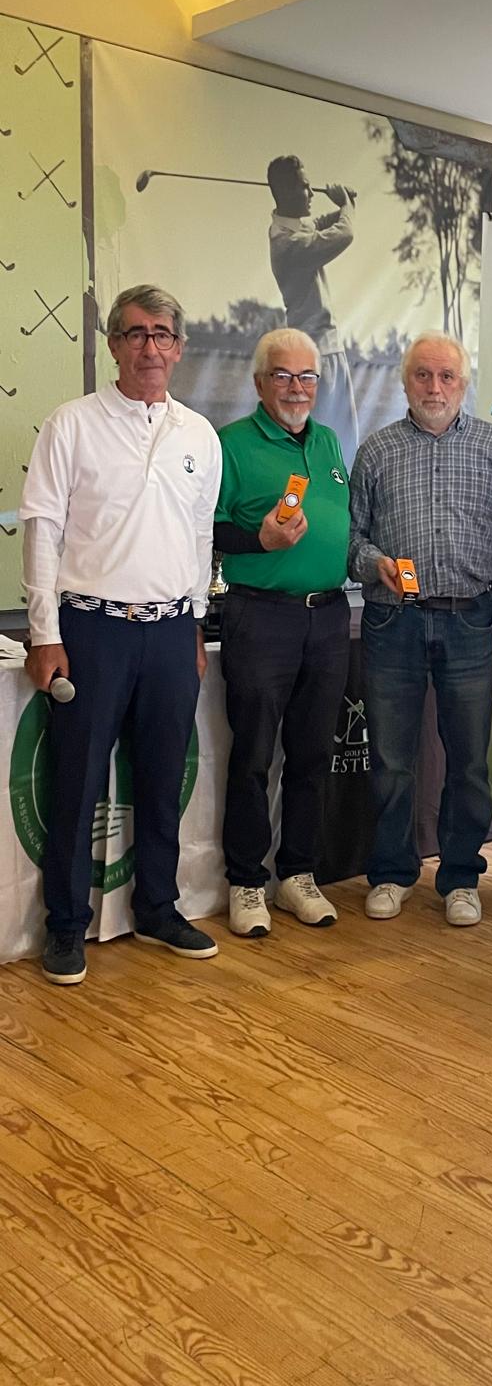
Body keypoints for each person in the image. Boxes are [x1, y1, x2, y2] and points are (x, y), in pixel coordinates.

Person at [19, 284, 222, 985]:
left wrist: (193, 625)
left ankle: (159, 907)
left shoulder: (199, 435)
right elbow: (42, 530)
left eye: (162, 334)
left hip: (169, 633)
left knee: (163, 779)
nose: (150, 347)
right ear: (113, 344)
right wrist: (45, 634)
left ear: (179, 347)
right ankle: (65, 925)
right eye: (135, 333)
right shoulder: (71, 424)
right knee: (75, 783)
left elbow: (199, 539)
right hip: (90, 630)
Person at [349, 332, 492, 926]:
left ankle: (462, 876)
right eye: (423, 375)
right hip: (392, 620)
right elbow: (352, 538)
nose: (435, 387)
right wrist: (373, 562)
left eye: (446, 376)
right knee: (391, 760)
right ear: (405, 382)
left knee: (468, 761)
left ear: (464, 383)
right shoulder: (375, 451)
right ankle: (392, 872)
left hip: (471, 620)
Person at [214, 329, 351, 938]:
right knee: (252, 756)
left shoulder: (328, 443)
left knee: (313, 754)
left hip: (328, 617)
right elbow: (208, 529)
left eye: (307, 377)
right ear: (259, 382)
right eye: (283, 376)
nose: (297, 388)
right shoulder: (230, 445)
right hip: (260, 616)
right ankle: (246, 881)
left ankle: (298, 873)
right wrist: (259, 539)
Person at [267, 155, 359, 463]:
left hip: (321, 351)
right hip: (316, 356)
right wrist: (345, 206)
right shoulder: (288, 244)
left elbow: (317, 225)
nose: (310, 193)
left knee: (338, 447)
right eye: (304, 187)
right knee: (334, 448)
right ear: (285, 192)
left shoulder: (288, 230)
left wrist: (344, 206)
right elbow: (343, 234)